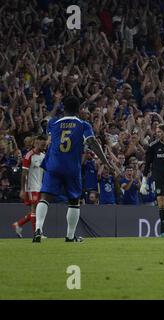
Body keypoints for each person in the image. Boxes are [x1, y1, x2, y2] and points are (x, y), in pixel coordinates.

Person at [33, 96, 112, 243]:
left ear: (64, 109)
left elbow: (45, 120)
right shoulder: (83, 125)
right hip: (71, 167)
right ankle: (70, 236)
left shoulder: (53, 123)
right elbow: (93, 142)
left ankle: (38, 229)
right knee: (74, 201)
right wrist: (106, 162)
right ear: (79, 110)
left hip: (53, 165)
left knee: (45, 198)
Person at [140, 124, 164, 238]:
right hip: (158, 177)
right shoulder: (153, 146)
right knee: (162, 203)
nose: (158, 133)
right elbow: (147, 164)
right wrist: (144, 181)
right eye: (157, 132)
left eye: (160, 131)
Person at [12, 135, 46, 238]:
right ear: (36, 142)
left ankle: (18, 224)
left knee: (36, 211)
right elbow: (24, 173)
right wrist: (23, 189)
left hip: (40, 186)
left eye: (45, 144)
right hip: (31, 187)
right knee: (34, 209)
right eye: (42, 144)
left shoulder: (43, 155)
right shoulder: (28, 155)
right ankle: (37, 234)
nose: (44, 146)